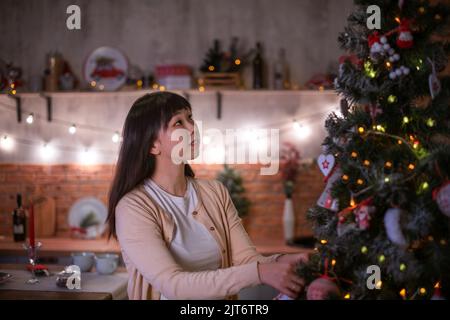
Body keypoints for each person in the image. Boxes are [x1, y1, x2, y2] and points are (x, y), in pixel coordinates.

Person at [107, 91, 307, 300]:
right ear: (152, 145)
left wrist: (284, 261)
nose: (193, 128)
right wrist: (260, 272)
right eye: (178, 123)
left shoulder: (215, 192)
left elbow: (246, 259)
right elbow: (173, 285)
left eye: (190, 118)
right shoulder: (133, 207)